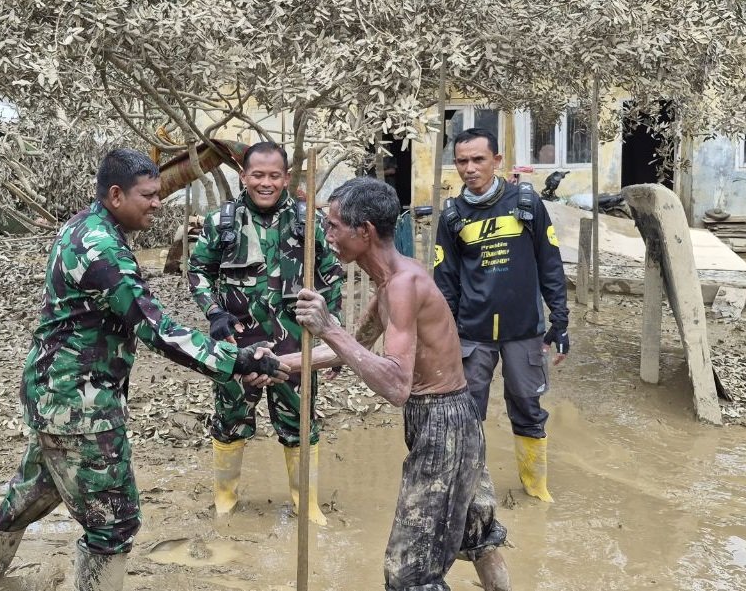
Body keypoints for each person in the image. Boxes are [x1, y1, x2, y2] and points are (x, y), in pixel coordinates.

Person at [0, 149, 288, 591]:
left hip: (55, 394)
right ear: (116, 195)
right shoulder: (103, 251)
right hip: (80, 406)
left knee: (27, 500)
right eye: (149, 196)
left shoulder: (85, 226)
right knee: (115, 524)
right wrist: (239, 360)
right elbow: (155, 328)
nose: (158, 203)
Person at [291, 177, 511, 591]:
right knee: (476, 534)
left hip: (444, 425)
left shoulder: (403, 284)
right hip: (454, 419)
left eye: (335, 226)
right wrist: (266, 362)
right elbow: (351, 350)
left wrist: (329, 330)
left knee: (408, 573)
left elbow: (395, 386)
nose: (328, 235)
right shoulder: (387, 283)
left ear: (365, 231)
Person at [187, 141, 343, 524]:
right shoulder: (220, 222)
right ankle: (225, 499)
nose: (266, 182)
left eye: (275, 175)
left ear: (287, 178)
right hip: (236, 348)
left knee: (300, 424)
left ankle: (306, 503)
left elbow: (332, 277)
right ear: (244, 175)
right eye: (258, 175)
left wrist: (333, 337)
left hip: (296, 346)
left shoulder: (309, 221)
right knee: (229, 421)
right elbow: (198, 271)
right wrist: (214, 312)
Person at [434, 128, 570, 503]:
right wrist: (444, 333)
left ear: (496, 161)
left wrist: (560, 321)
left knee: (527, 403)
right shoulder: (451, 216)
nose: (469, 168)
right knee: (466, 409)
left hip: (524, 329)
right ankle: (471, 488)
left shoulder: (526, 203)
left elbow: (550, 263)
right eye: (462, 161)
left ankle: (535, 486)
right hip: (472, 331)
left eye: (478, 160)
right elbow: (444, 280)